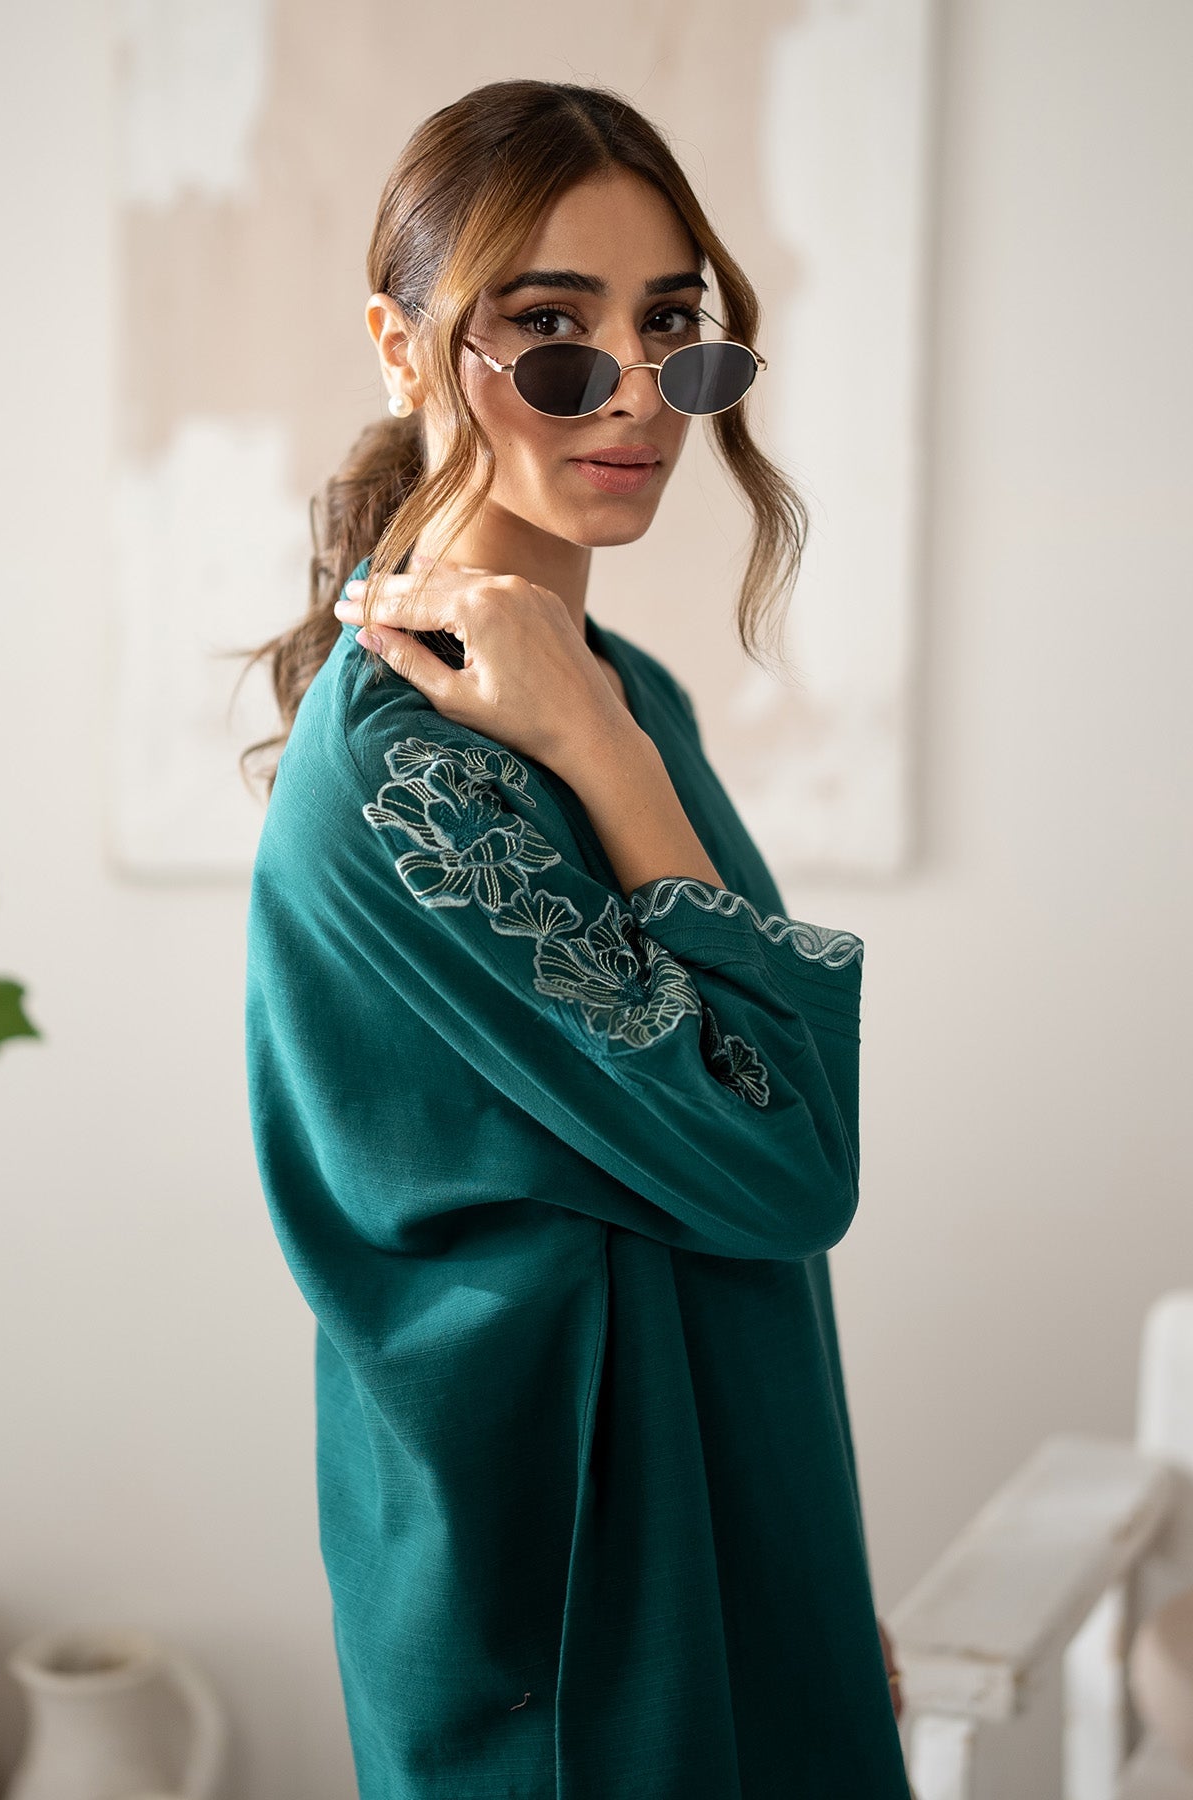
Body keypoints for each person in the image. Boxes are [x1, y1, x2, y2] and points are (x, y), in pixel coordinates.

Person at [244, 76, 911, 1800]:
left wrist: (794, 1572)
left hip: (707, 1525)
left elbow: (738, 1163)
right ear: (403, 349)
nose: (632, 395)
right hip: (577, 1610)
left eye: (672, 329)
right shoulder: (419, 768)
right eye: (550, 332)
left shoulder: (620, 694)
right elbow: (782, 1156)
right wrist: (603, 754)